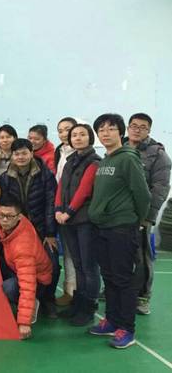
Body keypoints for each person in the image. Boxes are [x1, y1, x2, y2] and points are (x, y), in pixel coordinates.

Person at [88, 113, 151, 349]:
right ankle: (112, 321)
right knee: (110, 277)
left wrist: (135, 220)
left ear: (120, 132)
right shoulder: (105, 161)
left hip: (121, 228)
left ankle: (127, 328)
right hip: (102, 228)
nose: (105, 133)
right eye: (101, 130)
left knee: (123, 280)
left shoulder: (128, 159)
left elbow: (143, 195)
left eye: (111, 129)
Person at [0, 138, 59, 318]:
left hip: (42, 229)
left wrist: (50, 233)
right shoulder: (5, 178)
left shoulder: (45, 175)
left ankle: (48, 300)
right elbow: (6, 204)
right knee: (20, 268)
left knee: (53, 265)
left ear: (32, 153)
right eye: (17, 154)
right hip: (19, 230)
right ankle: (27, 299)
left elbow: (50, 203)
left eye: (24, 153)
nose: (21, 157)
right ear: (12, 155)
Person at [124, 113, 171, 315]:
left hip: (141, 216)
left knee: (141, 257)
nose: (137, 130)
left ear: (149, 130)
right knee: (118, 254)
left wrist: (148, 216)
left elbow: (160, 188)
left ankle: (143, 297)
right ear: (128, 127)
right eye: (134, 126)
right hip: (117, 215)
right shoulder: (119, 148)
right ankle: (118, 290)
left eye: (142, 127)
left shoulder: (158, 155)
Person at [55, 124, 101, 326]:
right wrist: (58, 209)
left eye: (82, 134)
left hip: (84, 221)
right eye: (74, 135)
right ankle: (78, 303)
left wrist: (69, 212)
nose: (78, 138)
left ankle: (89, 308)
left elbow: (84, 190)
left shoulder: (94, 161)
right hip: (67, 220)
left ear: (90, 137)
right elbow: (61, 187)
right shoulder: (69, 161)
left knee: (89, 266)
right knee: (78, 265)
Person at [0, 200, 53, 340]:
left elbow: (28, 284)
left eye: (9, 216)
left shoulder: (23, 246)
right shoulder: (16, 222)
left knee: (9, 287)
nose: (4, 220)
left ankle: (33, 304)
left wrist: (24, 322)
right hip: (16, 267)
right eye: (1, 215)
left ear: (19, 217)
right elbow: (6, 212)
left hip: (38, 281)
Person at [54, 117, 78, 307]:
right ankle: (70, 290)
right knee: (68, 253)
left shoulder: (82, 155)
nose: (64, 134)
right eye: (60, 130)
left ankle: (81, 295)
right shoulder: (60, 152)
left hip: (77, 211)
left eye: (68, 129)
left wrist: (70, 210)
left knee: (81, 256)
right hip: (61, 209)